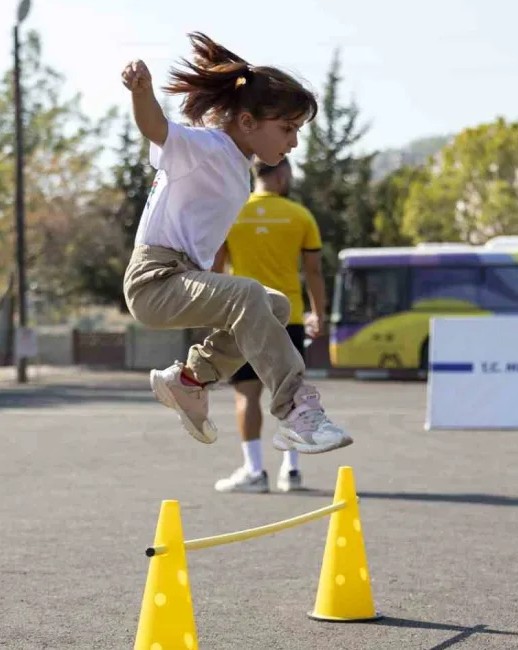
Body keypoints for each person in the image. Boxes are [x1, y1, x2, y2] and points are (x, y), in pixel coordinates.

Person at [119, 32, 352, 455]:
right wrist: (142, 92)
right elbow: (155, 128)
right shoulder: (207, 147)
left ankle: (190, 380)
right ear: (247, 122)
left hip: (183, 275)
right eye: (287, 129)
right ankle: (297, 411)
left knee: (274, 304)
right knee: (247, 295)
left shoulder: (237, 168)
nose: (293, 142)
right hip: (154, 279)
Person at [210, 158, 326, 493]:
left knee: (246, 394)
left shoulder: (232, 213)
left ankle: (255, 471)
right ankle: (291, 472)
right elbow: (314, 272)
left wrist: (216, 316)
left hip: (242, 317)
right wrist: (318, 313)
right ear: (283, 173)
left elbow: (216, 271)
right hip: (287, 317)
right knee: (288, 394)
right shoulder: (300, 215)